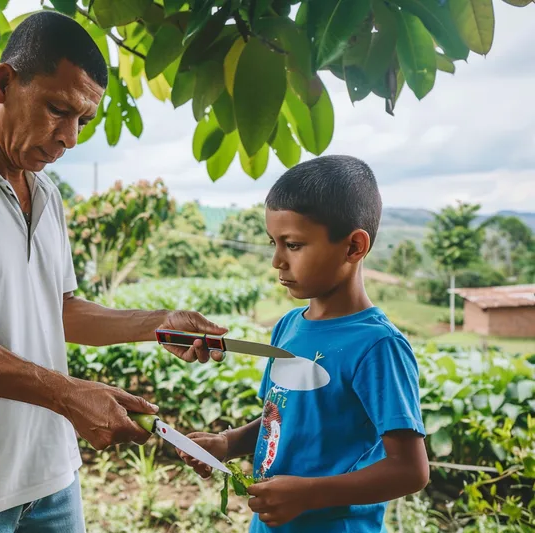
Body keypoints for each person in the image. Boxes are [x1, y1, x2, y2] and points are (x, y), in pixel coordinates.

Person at [0, 11, 226, 533]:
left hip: (51, 478)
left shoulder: (46, 193)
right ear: (4, 82)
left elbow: (59, 312)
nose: (69, 138)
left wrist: (159, 323)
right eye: (58, 110)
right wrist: (67, 393)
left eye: (82, 121)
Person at [176, 155, 429, 532]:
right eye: (273, 243)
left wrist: (309, 495)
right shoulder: (289, 327)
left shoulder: (378, 346)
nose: (277, 260)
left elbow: (410, 470)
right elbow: (279, 417)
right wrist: (227, 442)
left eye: (293, 245)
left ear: (353, 247)